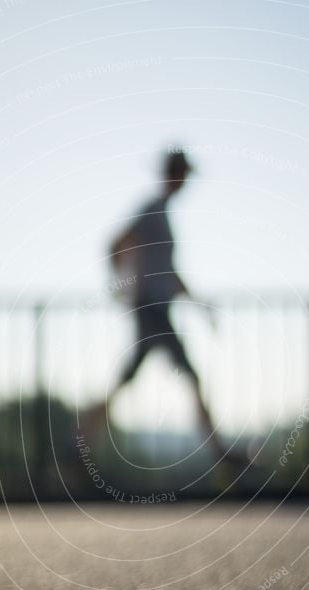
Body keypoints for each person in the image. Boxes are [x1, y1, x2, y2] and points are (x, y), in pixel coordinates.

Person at [106, 148, 226, 457]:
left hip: (156, 307)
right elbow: (116, 244)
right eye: (183, 174)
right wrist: (121, 285)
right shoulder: (152, 210)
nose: (185, 181)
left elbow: (169, 273)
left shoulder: (161, 214)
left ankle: (74, 446)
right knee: (190, 376)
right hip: (152, 309)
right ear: (174, 174)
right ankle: (222, 454)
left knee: (128, 380)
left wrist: (198, 305)